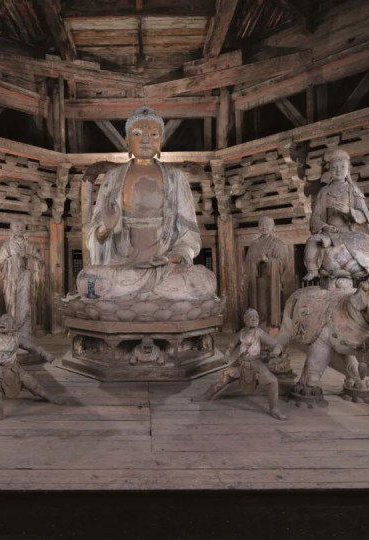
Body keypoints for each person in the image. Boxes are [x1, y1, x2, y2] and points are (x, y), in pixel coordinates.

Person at [76, 106, 216, 301]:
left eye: (153, 134)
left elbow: (190, 235)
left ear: (161, 141)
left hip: (164, 268)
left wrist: (172, 257)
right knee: (88, 280)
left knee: (203, 282)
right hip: (122, 267)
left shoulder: (176, 178)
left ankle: (130, 300)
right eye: (136, 134)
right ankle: (153, 300)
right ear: (127, 141)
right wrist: (106, 228)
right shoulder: (113, 178)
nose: (145, 140)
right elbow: (95, 239)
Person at [192, 309, 287, 421]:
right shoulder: (242, 333)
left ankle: (274, 409)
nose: (254, 318)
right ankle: (207, 395)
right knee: (224, 378)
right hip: (241, 362)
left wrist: (275, 351)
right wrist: (226, 355)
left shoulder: (259, 333)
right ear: (245, 320)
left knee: (273, 381)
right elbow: (232, 345)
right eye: (251, 316)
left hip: (255, 362)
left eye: (256, 316)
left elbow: (275, 344)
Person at [303, 149, 369, 281]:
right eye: (334, 167)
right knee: (312, 241)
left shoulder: (353, 190)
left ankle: (363, 268)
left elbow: (364, 215)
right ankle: (312, 269)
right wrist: (325, 226)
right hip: (329, 232)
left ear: (348, 170)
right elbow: (315, 217)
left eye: (342, 167)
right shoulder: (324, 192)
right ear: (330, 170)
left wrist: (349, 211)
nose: (338, 170)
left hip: (348, 232)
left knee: (366, 240)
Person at [0, 314, 58, 424]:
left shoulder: (17, 338)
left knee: (32, 384)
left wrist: (45, 354)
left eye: (6, 320)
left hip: (15, 369)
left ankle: (48, 397)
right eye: (0, 320)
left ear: (13, 326)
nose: (2, 322)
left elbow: (33, 347)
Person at [0, 219, 41, 338]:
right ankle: (13, 330)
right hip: (12, 281)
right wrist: (14, 260)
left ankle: (26, 333)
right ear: (11, 228)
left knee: (26, 303)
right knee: (13, 304)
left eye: (22, 227)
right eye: (17, 226)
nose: (20, 229)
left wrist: (28, 257)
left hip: (26, 278)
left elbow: (39, 260)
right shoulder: (7, 245)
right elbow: (1, 264)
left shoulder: (30, 245)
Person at [244, 216, 287, 329]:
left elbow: (283, 262)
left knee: (271, 303)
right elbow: (248, 262)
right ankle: (257, 324)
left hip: (272, 279)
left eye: (267, 224)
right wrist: (256, 261)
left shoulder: (278, 243)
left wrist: (268, 260)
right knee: (258, 304)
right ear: (258, 227)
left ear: (273, 227)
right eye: (262, 224)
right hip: (257, 280)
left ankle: (271, 325)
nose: (264, 227)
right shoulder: (254, 244)